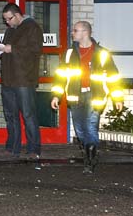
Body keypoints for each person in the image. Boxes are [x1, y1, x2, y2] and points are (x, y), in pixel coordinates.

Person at [51, 21, 124, 174]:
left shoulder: (102, 54)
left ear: (85, 32)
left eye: (75, 30)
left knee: (90, 128)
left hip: (95, 96)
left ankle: (89, 163)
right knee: (80, 130)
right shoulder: (69, 53)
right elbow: (61, 77)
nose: (72, 33)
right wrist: (56, 96)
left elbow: (113, 77)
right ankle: (89, 153)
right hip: (75, 96)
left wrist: (117, 98)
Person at [0, 3, 43, 161]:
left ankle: (33, 148)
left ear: (17, 15)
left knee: (28, 114)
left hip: (24, 79)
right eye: (5, 20)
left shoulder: (32, 27)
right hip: (9, 79)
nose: (7, 22)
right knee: (10, 115)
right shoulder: (10, 30)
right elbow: (8, 48)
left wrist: (13, 49)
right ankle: (12, 148)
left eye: (9, 19)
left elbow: (36, 49)